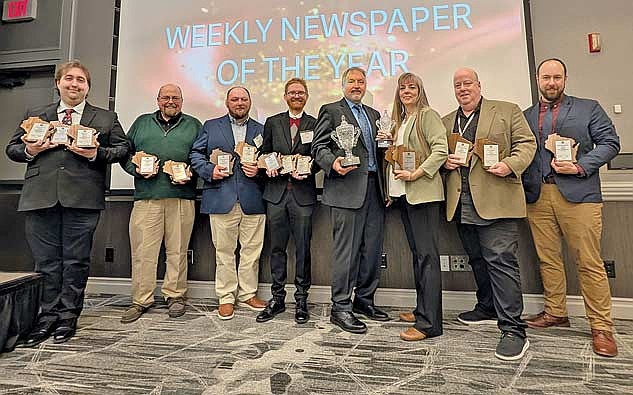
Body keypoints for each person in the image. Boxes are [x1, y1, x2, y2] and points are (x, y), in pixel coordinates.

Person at [6, 60, 129, 346]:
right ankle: (46, 316)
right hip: (40, 197)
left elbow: (123, 150)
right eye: (69, 79)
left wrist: (94, 154)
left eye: (81, 81)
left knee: (75, 261)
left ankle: (67, 317)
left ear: (88, 87)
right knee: (46, 262)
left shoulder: (105, 118)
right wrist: (29, 149)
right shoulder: (36, 114)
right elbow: (11, 148)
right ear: (58, 83)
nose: (74, 84)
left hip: (83, 198)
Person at [522, 58, 620, 357]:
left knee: (589, 262)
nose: (551, 83)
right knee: (548, 259)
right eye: (546, 77)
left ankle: (601, 326)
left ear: (565, 78)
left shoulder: (588, 108)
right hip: (538, 197)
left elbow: (610, 143)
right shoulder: (525, 115)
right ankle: (555, 311)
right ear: (537, 79)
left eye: (557, 77)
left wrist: (579, 166)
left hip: (579, 195)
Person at [442, 67, 536, 360]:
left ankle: (513, 329)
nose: (462, 88)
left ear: (479, 85)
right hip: (461, 202)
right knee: (477, 258)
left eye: (467, 83)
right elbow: (439, 154)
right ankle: (487, 307)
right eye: (457, 85)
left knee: (501, 262)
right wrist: (444, 163)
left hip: (497, 200)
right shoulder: (447, 121)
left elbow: (527, 144)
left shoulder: (507, 111)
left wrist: (510, 164)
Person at [312, 67, 388, 334]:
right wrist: (333, 162)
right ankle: (340, 307)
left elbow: (378, 153)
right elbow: (318, 147)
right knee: (346, 252)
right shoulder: (331, 110)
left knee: (372, 251)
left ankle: (364, 301)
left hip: (374, 190)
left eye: (361, 81)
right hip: (345, 189)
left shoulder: (374, 115)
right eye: (352, 81)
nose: (357, 85)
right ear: (343, 85)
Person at [119, 84, 202, 323]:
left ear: (182, 101)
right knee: (144, 251)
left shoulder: (193, 125)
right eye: (166, 97)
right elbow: (125, 154)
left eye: (176, 97)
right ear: (157, 100)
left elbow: (200, 157)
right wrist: (135, 170)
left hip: (181, 198)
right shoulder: (141, 122)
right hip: (147, 198)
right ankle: (141, 299)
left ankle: (175, 296)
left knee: (177, 250)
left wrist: (191, 172)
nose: (171, 101)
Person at [190, 86, 266, 320]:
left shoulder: (261, 130)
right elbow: (195, 155)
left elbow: (271, 161)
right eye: (235, 99)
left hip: (253, 199)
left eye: (244, 99)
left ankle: (248, 294)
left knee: (252, 252)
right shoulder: (211, 126)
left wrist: (259, 171)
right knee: (224, 252)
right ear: (227, 102)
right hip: (220, 198)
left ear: (250, 103)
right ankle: (226, 297)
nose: (239, 103)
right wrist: (210, 171)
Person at [385, 73, 448, 341]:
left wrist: (418, 173)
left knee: (428, 258)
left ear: (420, 90)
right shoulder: (400, 121)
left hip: (422, 195)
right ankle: (422, 309)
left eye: (412, 87)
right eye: (402, 88)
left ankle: (429, 324)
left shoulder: (427, 115)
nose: (406, 91)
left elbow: (441, 150)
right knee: (418, 256)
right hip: (403, 196)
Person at [256, 78, 317, 324]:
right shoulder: (272, 122)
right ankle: (277, 298)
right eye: (292, 92)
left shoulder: (315, 123)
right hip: (276, 195)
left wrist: (309, 170)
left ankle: (301, 299)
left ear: (307, 96)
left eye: (300, 92)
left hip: (303, 195)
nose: (296, 96)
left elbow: (318, 155)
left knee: (303, 250)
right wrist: (268, 167)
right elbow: (265, 153)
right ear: (285, 96)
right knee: (277, 249)